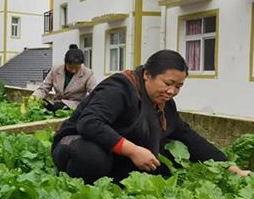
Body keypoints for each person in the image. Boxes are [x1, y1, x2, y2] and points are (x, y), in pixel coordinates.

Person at [52, 50, 250, 184]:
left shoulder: (165, 106)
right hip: (74, 143)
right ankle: (81, 189)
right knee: (92, 156)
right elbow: (89, 123)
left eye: (179, 86)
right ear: (147, 74)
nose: (172, 91)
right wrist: (133, 150)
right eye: (168, 83)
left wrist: (230, 167)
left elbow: (190, 139)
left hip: (112, 150)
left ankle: (111, 183)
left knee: (165, 155)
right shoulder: (118, 88)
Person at [32, 44, 97, 111]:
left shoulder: (88, 74)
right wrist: (34, 99)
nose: (73, 70)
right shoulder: (55, 70)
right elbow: (44, 88)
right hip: (56, 104)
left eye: (77, 68)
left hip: (75, 108)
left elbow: (95, 93)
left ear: (81, 64)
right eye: (71, 67)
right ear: (65, 63)